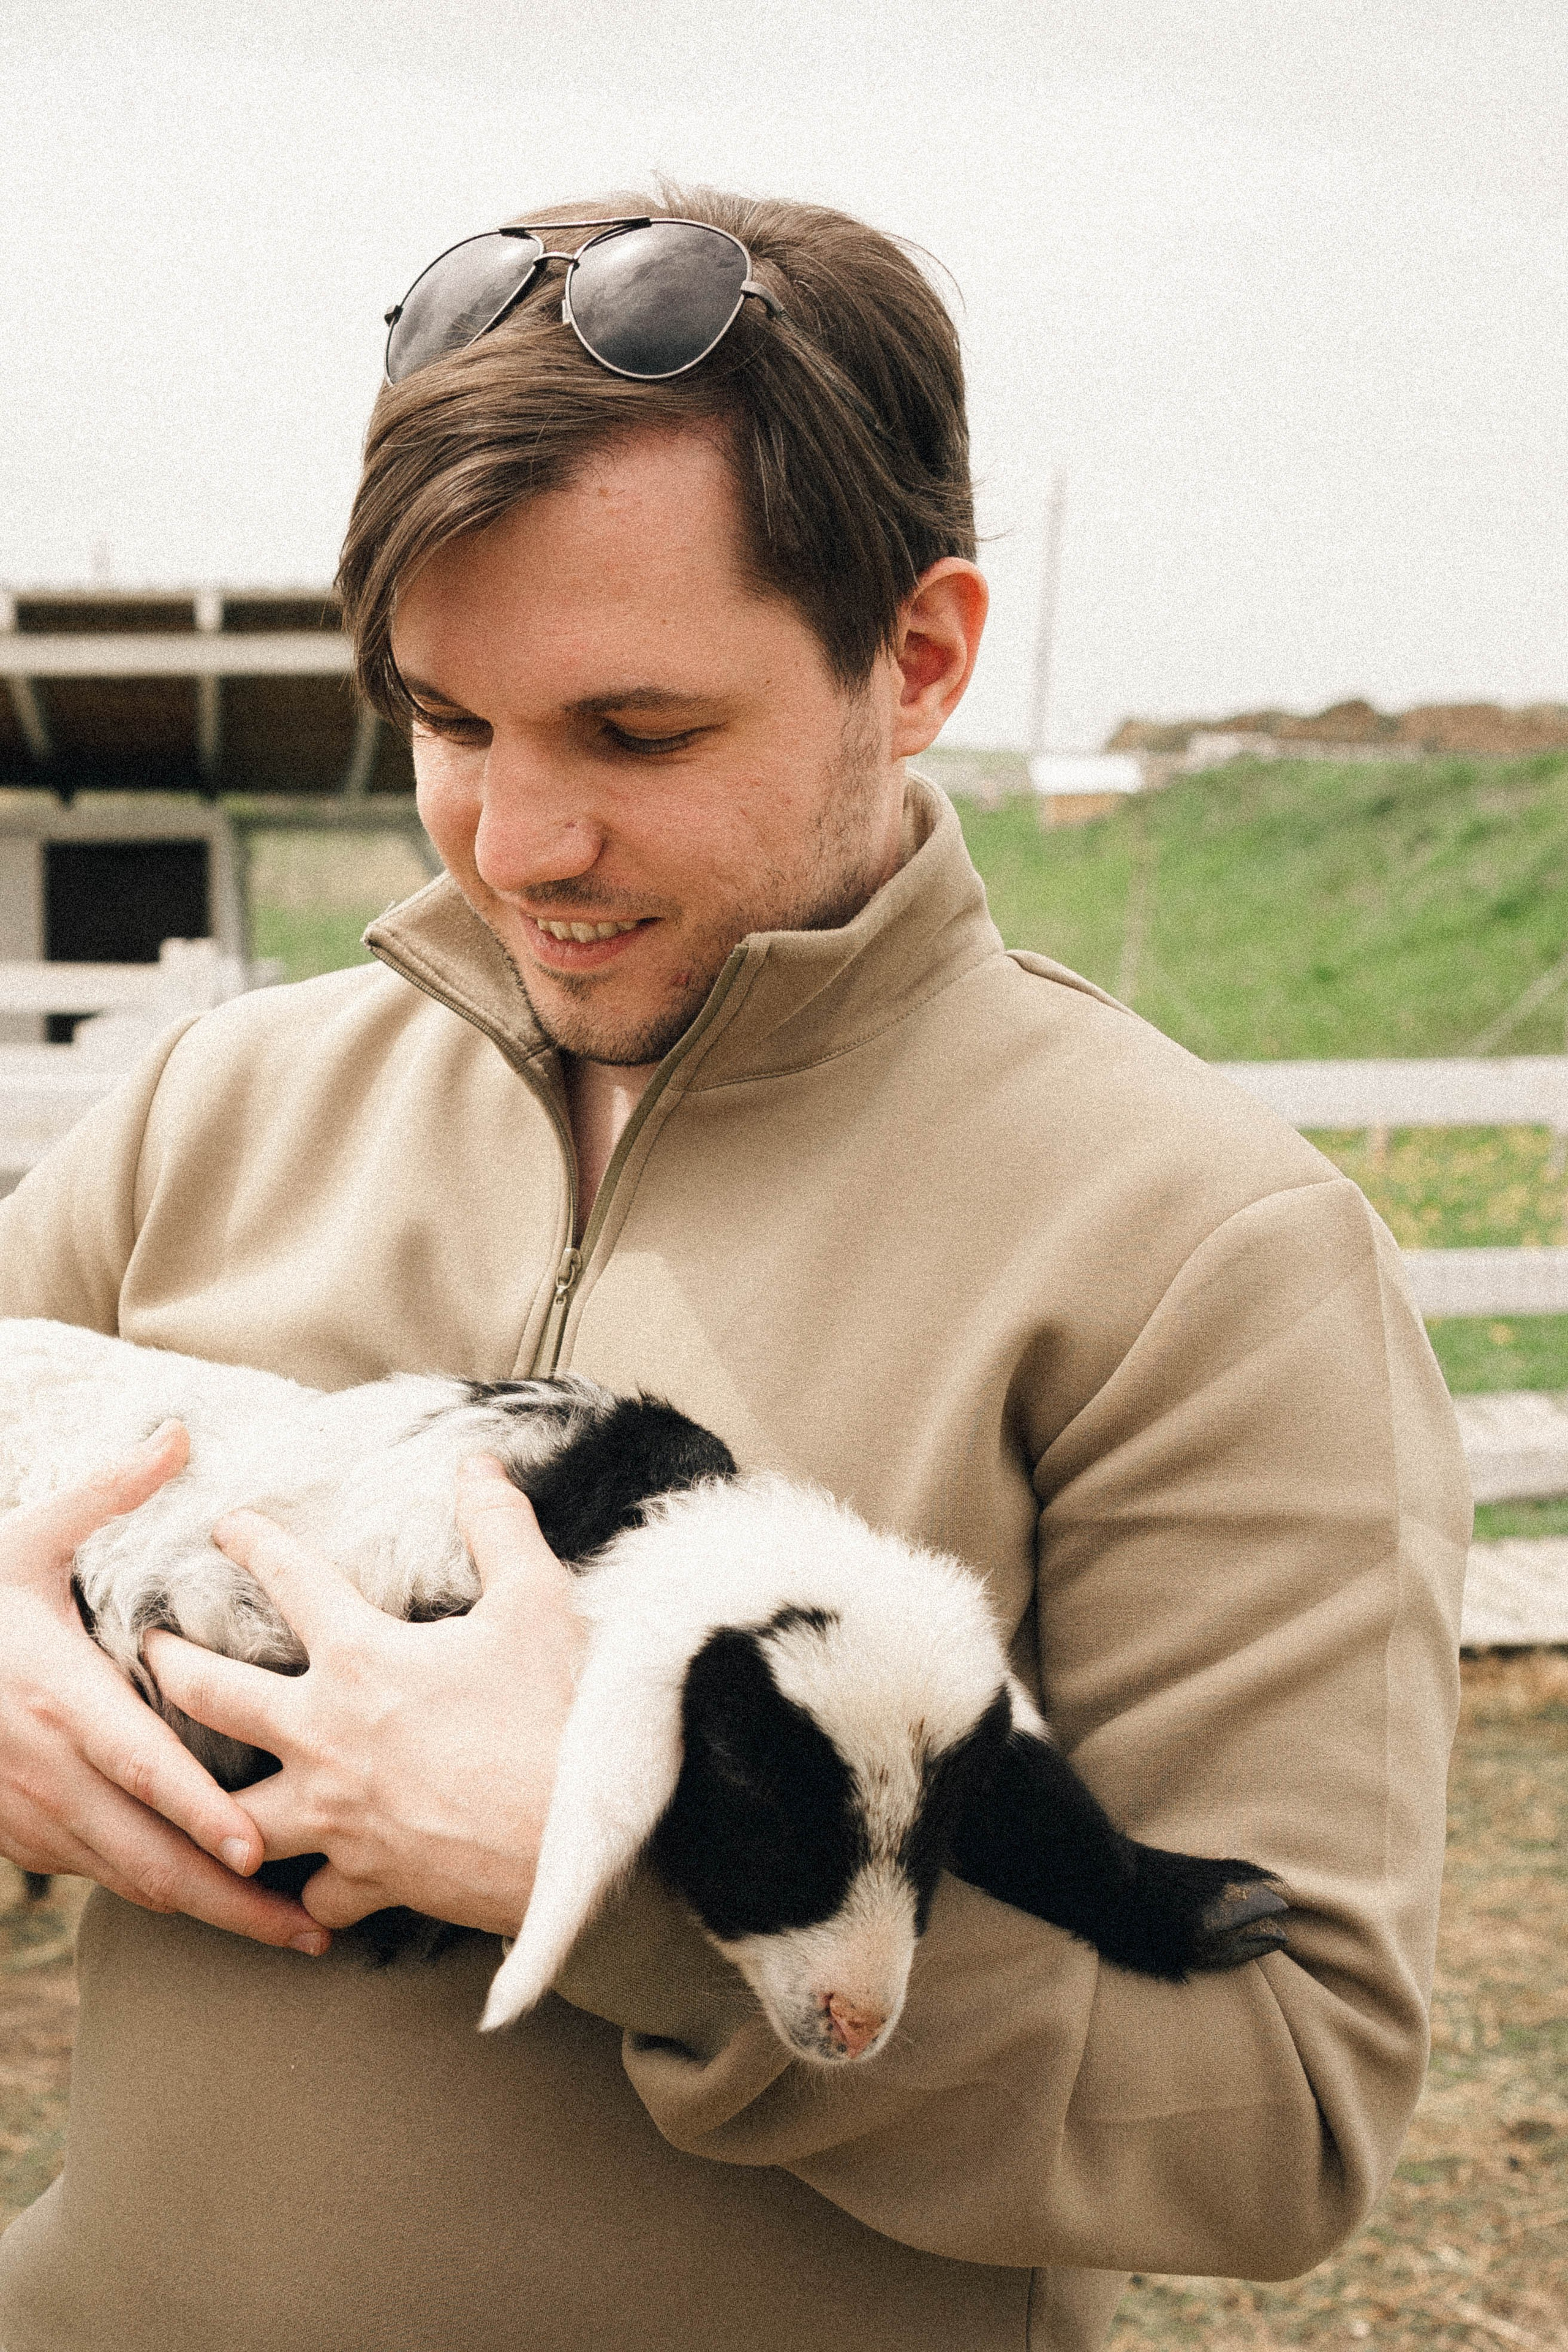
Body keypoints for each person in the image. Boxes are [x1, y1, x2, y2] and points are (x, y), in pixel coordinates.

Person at [0, 189, 1468, 2352]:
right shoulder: (203, 1111)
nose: (517, 843)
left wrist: (642, 1884)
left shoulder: (1207, 1256)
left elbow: (1280, 2117)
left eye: (637, 733)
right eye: (448, 723)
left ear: (927, 654)